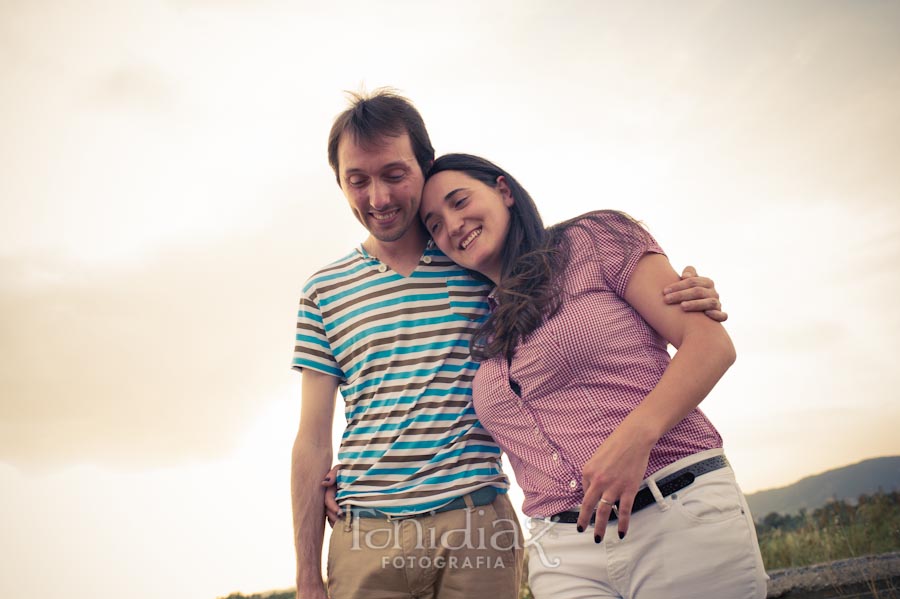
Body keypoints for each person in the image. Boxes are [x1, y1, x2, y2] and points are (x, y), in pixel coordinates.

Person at [292, 89, 728, 599]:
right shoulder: (324, 291)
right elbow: (313, 439)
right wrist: (308, 575)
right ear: (340, 184)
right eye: (357, 180)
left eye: (394, 174)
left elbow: (589, 305)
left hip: (480, 525)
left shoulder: (479, 262)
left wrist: (692, 296)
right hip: (369, 530)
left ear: (424, 167)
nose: (379, 198)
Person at [418, 153, 768, 599]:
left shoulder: (594, 238)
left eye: (459, 201)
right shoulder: (480, 325)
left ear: (504, 191)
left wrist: (635, 437)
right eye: (433, 223)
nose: (452, 224)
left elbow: (710, 344)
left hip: (674, 513)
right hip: (563, 555)